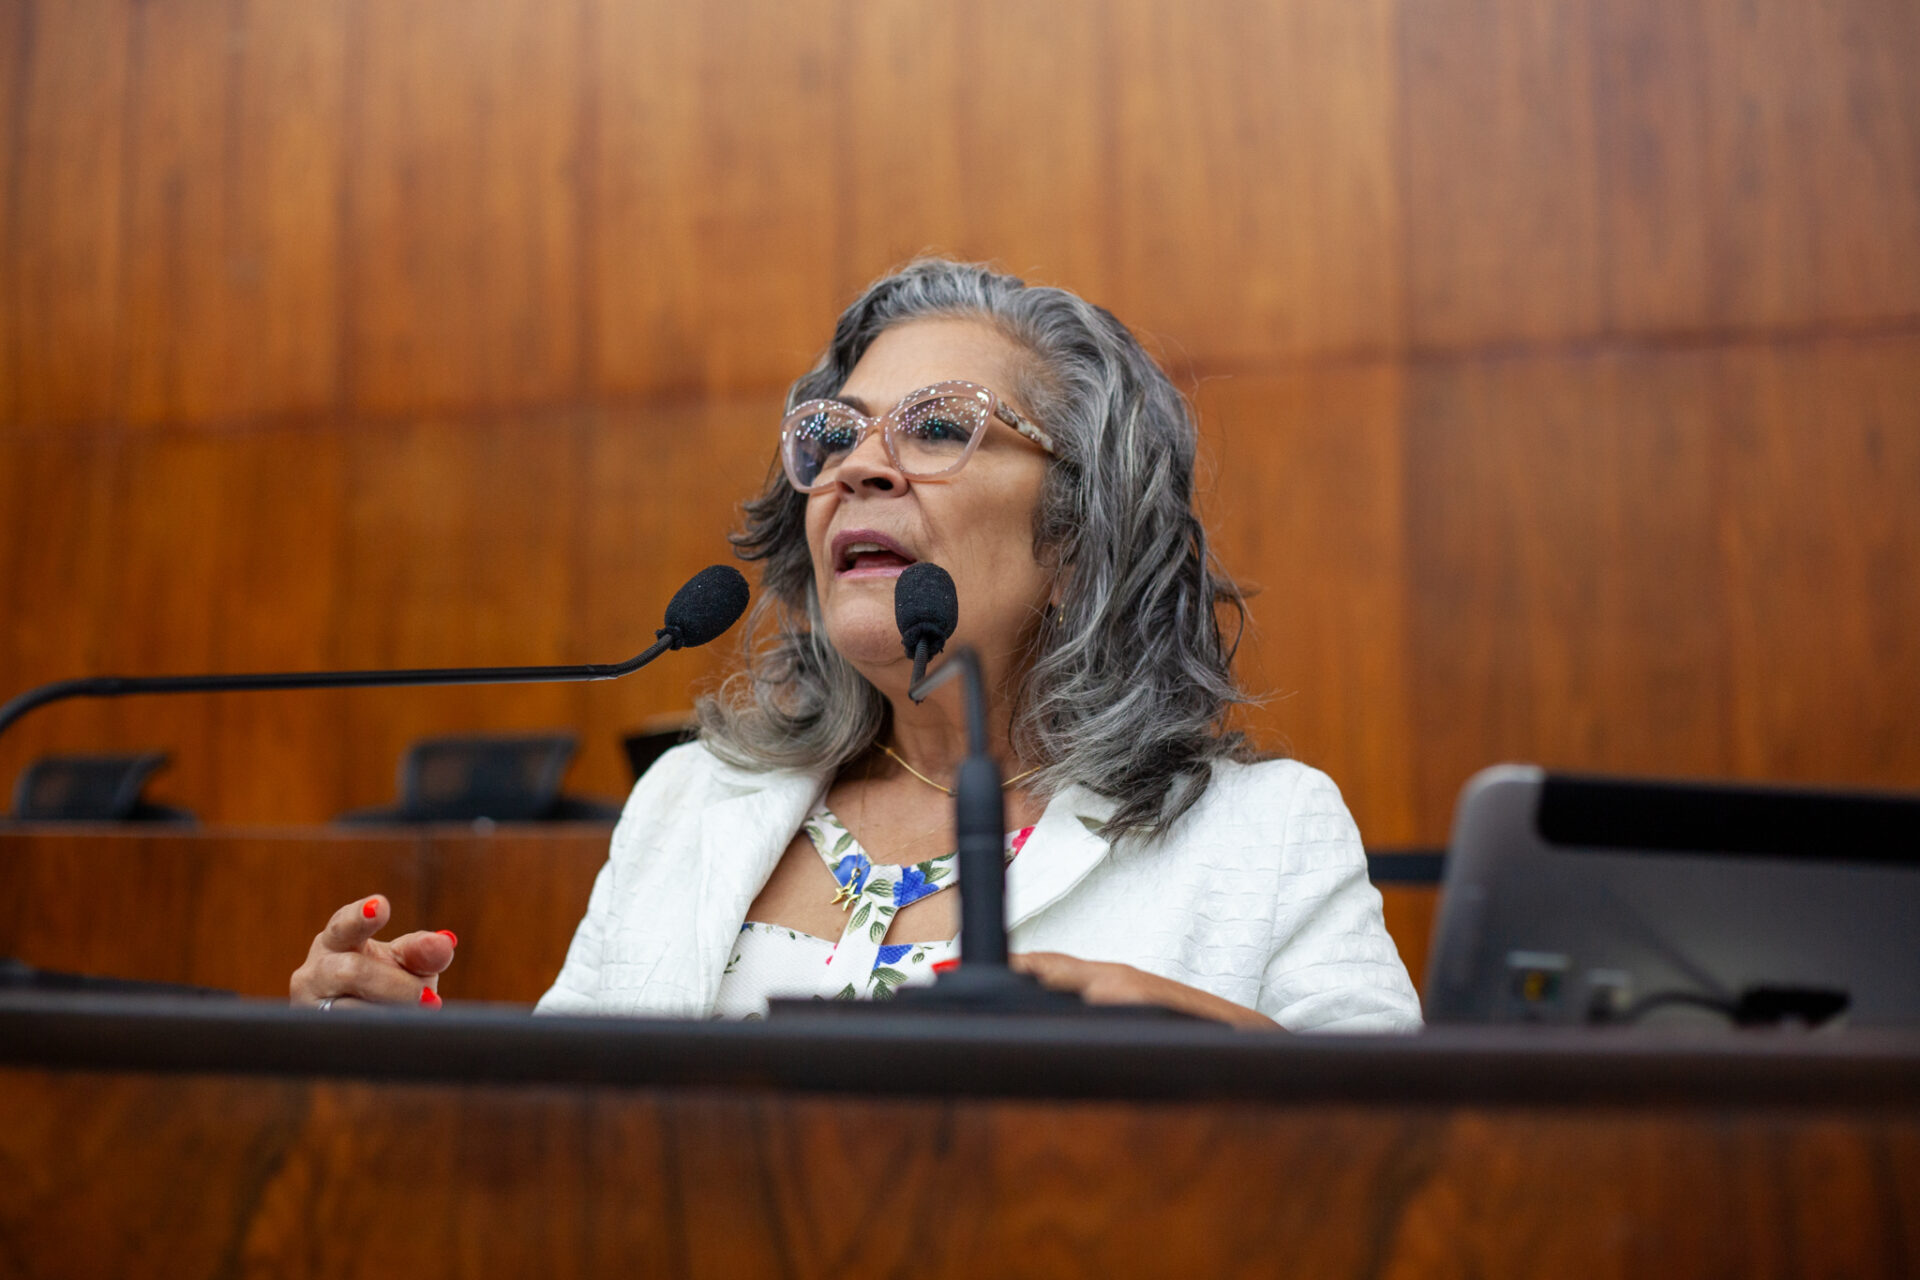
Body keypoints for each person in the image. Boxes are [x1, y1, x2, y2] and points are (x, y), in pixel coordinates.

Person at [290, 260, 1421, 1031]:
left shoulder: (1263, 836)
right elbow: (571, 1145)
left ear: (1081, 532)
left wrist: (1202, 1046)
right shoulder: (694, 802)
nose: (857, 468)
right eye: (833, 436)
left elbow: (1408, 1171)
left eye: (939, 427)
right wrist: (404, 1058)